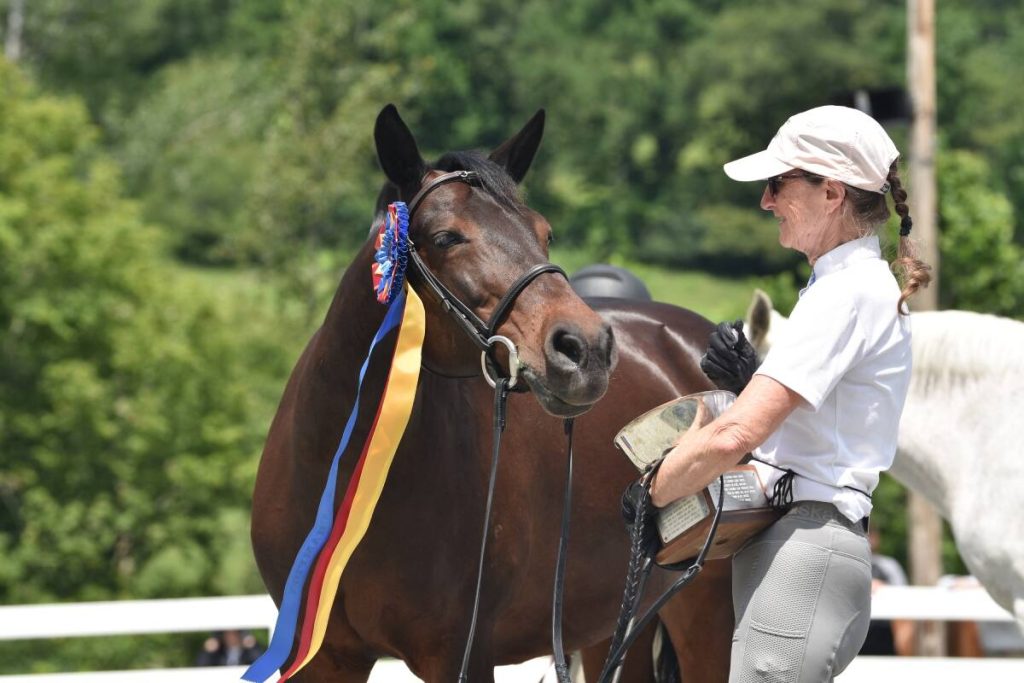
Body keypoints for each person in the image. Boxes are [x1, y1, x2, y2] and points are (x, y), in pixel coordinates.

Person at [649, 105, 931, 681]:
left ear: (831, 192)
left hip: (808, 546)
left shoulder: (845, 292)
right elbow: (804, 425)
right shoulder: (845, 284)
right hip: (799, 543)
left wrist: (655, 490)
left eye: (778, 183)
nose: (765, 200)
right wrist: (752, 382)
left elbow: (735, 433)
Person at [195, 629, 264, 667]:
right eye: (227, 634)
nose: (231, 637)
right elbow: (200, 665)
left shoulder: (248, 652)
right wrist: (208, 651)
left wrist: (252, 648)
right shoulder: (218, 653)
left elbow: (262, 665)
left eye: (234, 633)